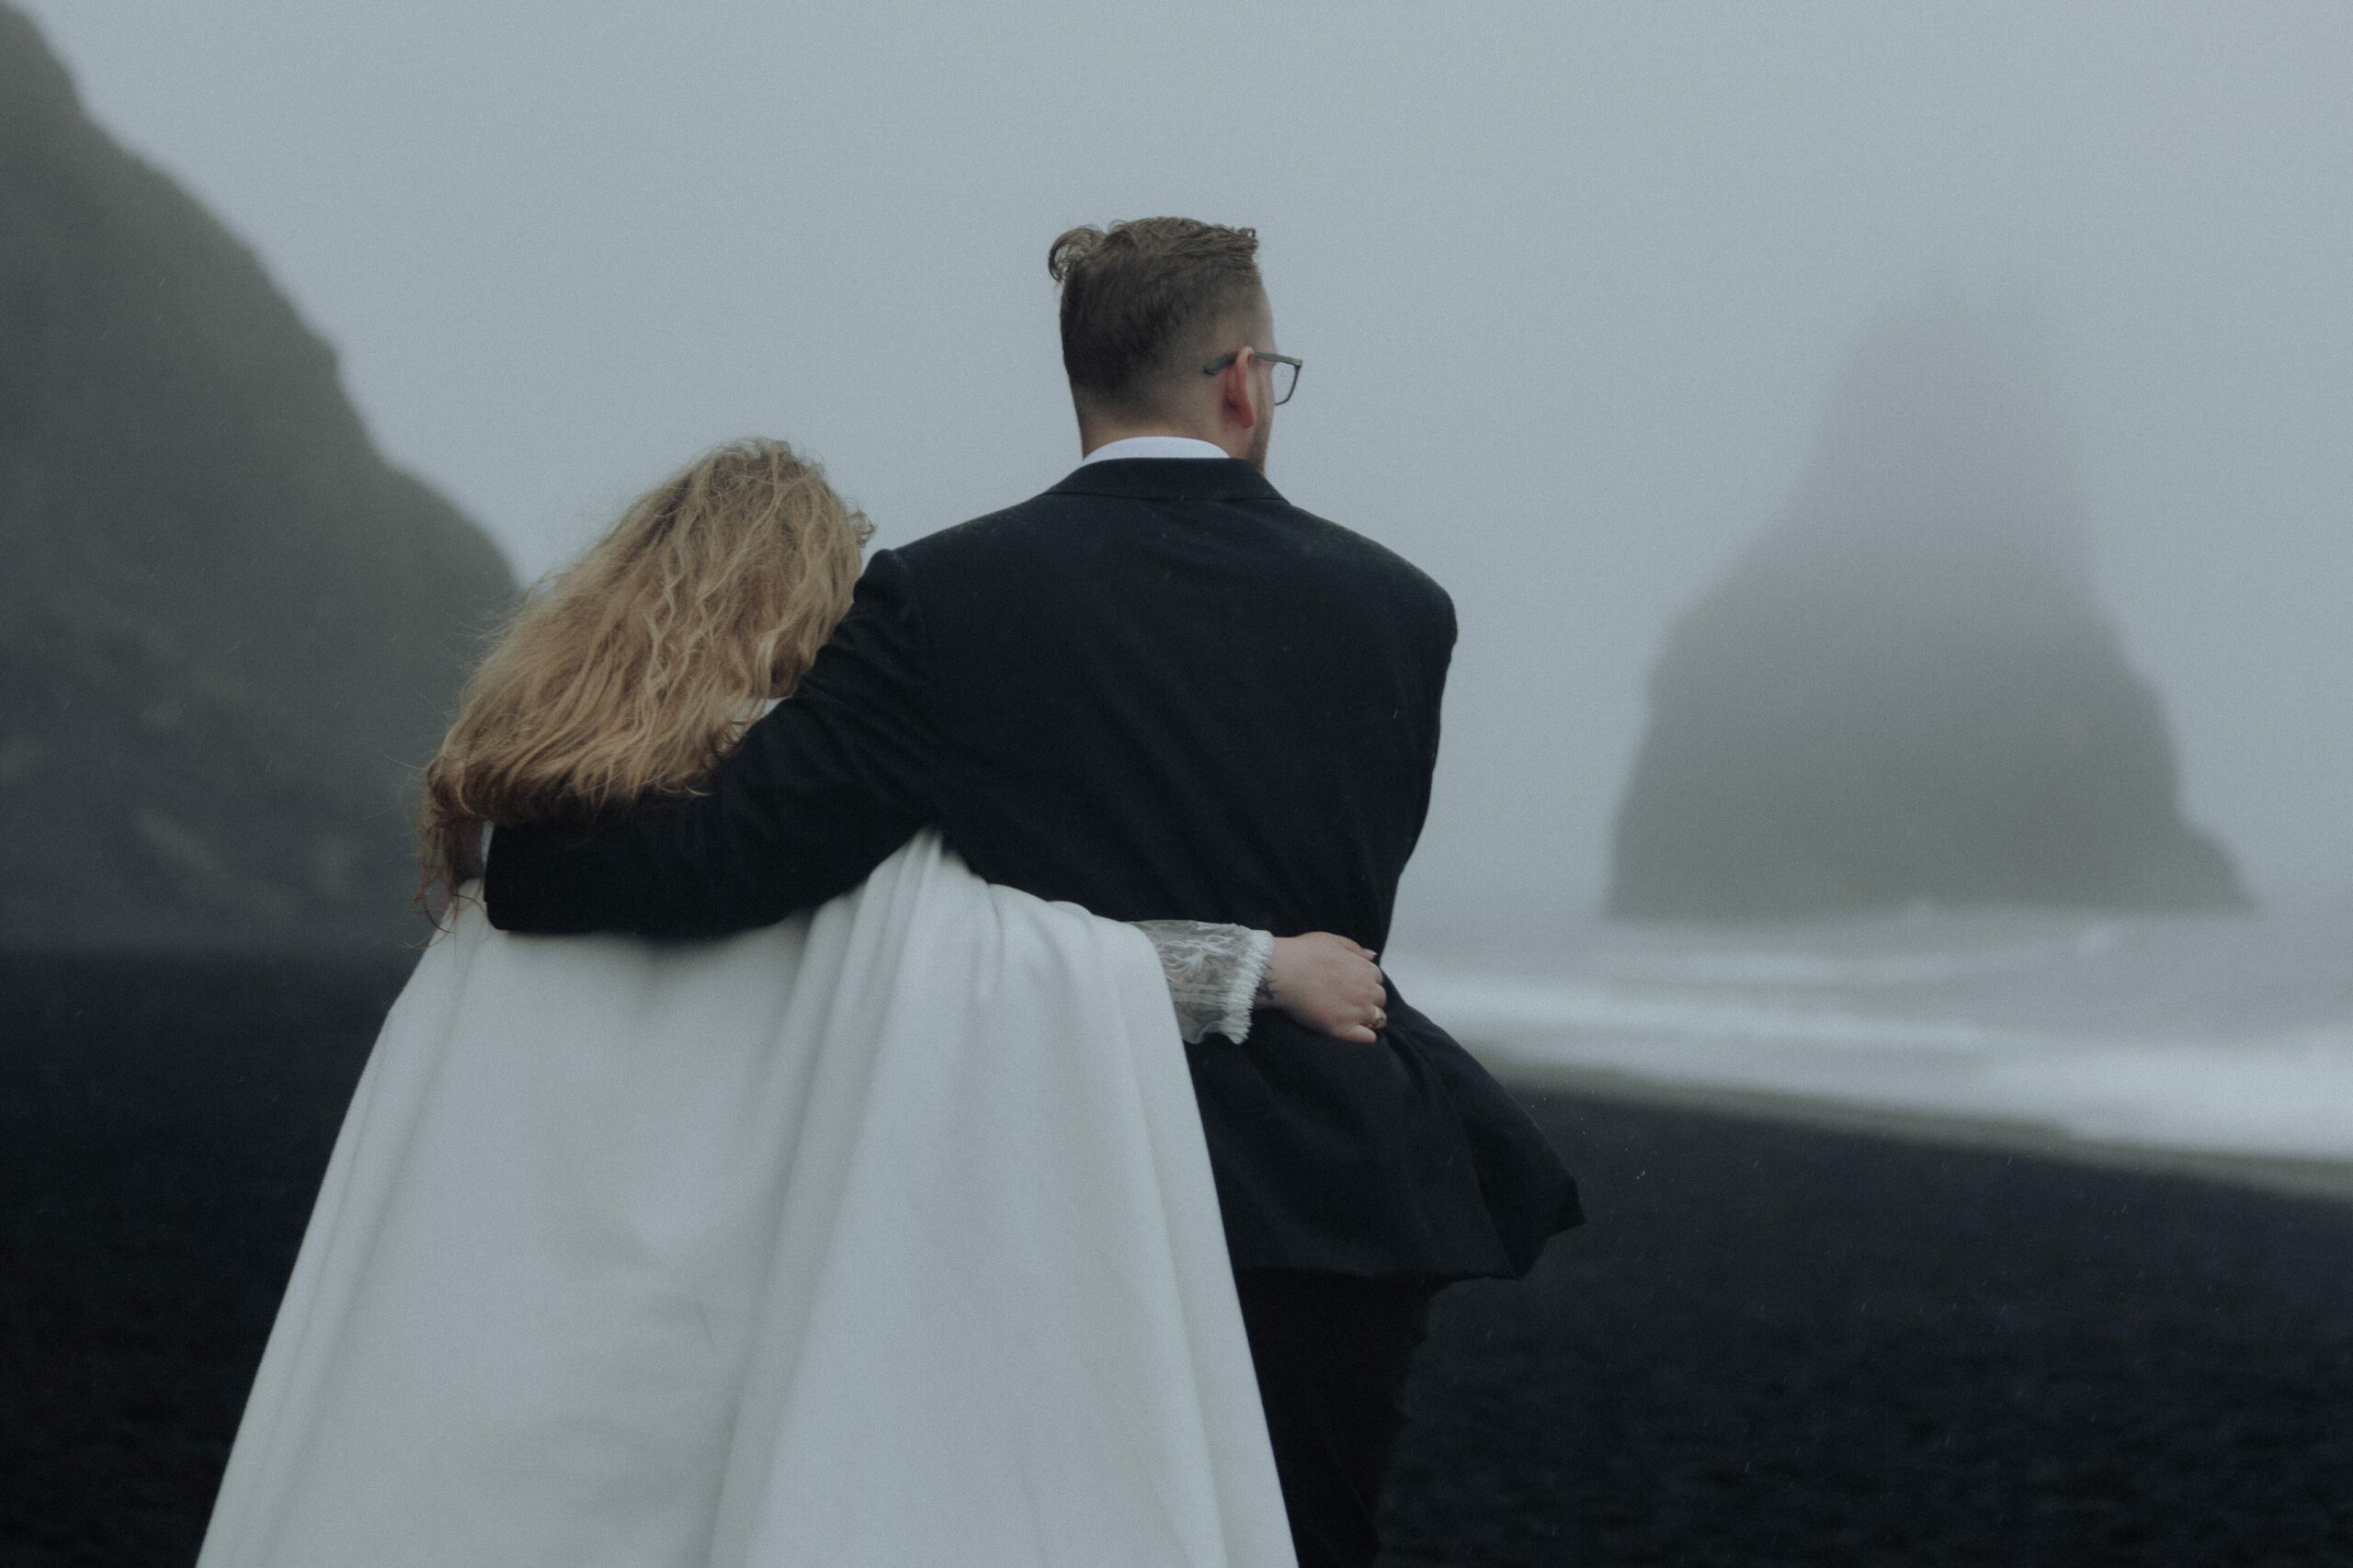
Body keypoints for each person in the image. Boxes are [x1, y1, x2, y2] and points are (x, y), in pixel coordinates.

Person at [484, 218, 1585, 1568]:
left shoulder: (942, 602)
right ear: (1243, 379)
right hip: (1325, 1190)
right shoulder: (1403, 609)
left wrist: (534, 864)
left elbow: (746, 855)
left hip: (1051, 1174)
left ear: (1085, 385)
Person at [197, 438, 1390, 1568]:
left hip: (494, 1352)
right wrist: (1259, 967)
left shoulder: (515, 844)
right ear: (809, 606)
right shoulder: (818, 815)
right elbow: (1018, 970)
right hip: (695, 1356)